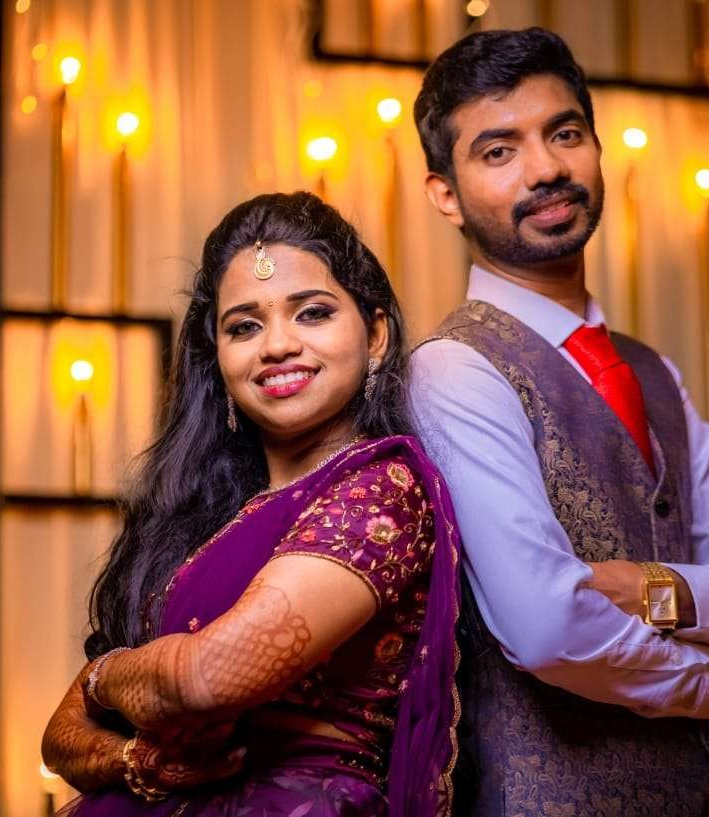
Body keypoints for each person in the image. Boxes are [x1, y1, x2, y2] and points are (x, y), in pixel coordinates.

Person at [408, 28, 709, 815]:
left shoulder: (653, 373)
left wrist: (655, 587)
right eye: (498, 150)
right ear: (444, 195)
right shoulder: (452, 371)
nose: (546, 168)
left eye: (564, 134)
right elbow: (545, 625)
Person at [40, 191, 462, 817]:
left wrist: (99, 678)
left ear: (375, 335)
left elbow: (206, 677)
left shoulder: (382, 490)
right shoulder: (207, 519)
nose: (277, 346)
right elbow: (58, 741)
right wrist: (136, 760)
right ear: (217, 358)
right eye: (244, 326)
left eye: (312, 313)